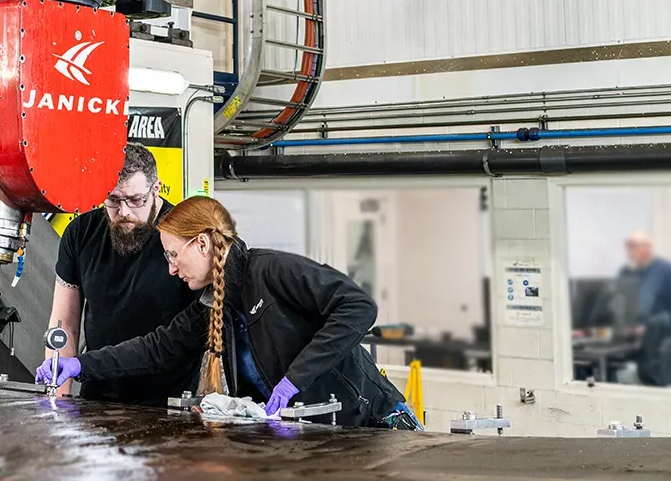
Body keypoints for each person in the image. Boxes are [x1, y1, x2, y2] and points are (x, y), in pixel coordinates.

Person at [37, 196, 419, 429]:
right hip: (315, 434)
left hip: (370, 422)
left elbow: (358, 307)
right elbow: (156, 348)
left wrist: (294, 380)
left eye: (173, 255)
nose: (171, 268)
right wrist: (80, 366)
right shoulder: (211, 304)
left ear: (202, 244)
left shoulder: (271, 271)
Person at [43, 143, 199, 406]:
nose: (124, 212)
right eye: (113, 200)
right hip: (96, 397)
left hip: (168, 404)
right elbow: (64, 324)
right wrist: (57, 399)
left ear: (156, 189)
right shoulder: (80, 233)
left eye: (136, 200)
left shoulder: (184, 235)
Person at [622, 231, 671, 387]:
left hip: (663, 344)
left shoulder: (668, 271)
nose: (628, 252)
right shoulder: (627, 273)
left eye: (632, 247)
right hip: (635, 344)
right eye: (627, 247)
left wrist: (650, 326)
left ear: (646, 248)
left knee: (664, 392)